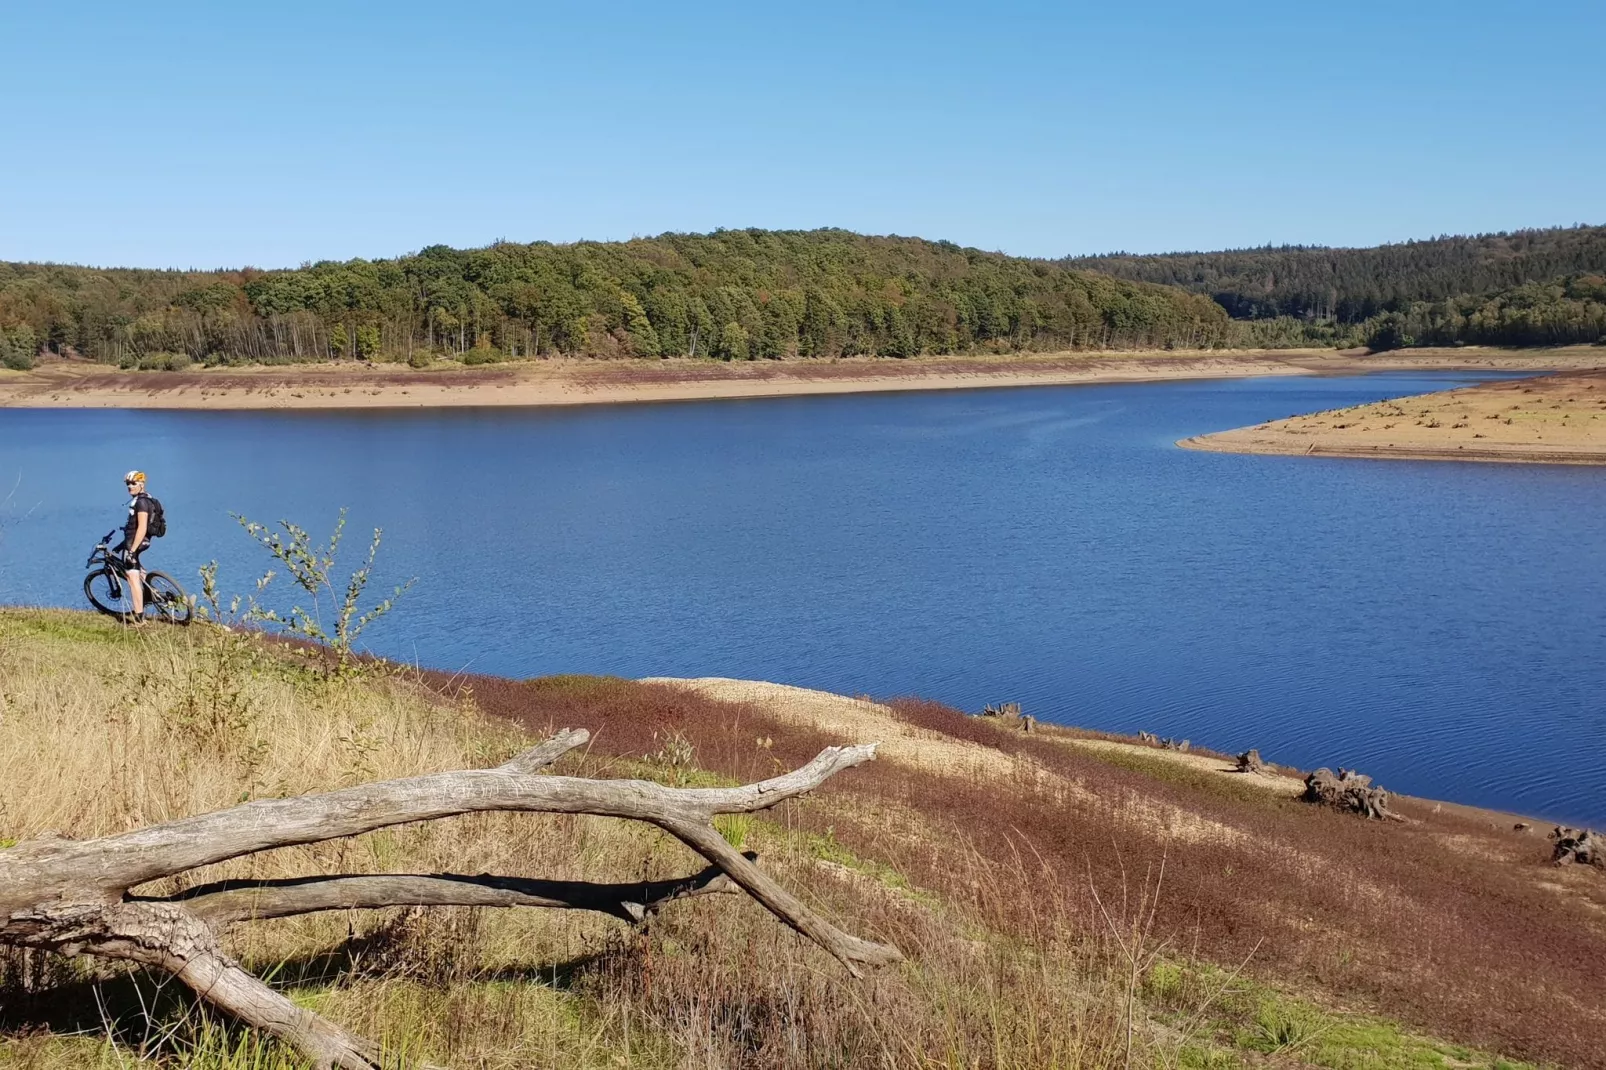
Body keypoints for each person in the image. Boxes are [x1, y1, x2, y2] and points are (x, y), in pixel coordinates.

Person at [118, 470, 155, 620]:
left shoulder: (141, 503)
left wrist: (132, 550)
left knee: (131, 577)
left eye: (133, 483)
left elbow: (142, 528)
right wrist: (122, 545)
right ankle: (148, 594)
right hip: (138, 541)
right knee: (139, 572)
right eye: (128, 484)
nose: (130, 486)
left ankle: (139, 617)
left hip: (135, 543)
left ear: (141, 484)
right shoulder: (146, 499)